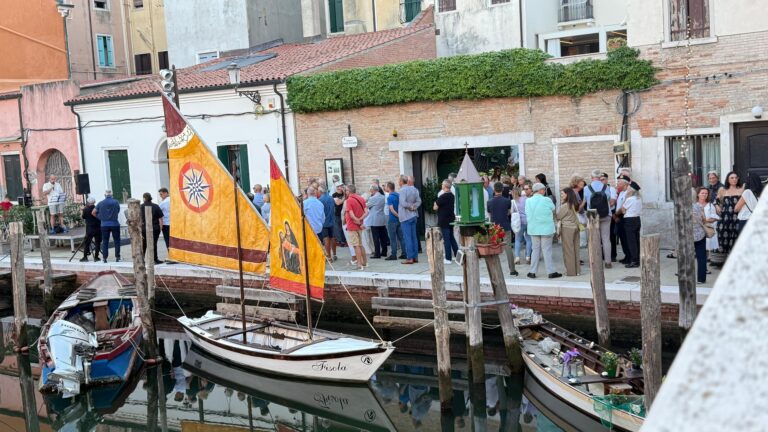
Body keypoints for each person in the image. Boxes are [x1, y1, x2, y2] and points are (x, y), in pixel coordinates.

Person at [525, 183, 560, 278]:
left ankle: (532, 272)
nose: (544, 191)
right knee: (547, 250)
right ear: (540, 190)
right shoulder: (547, 199)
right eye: (543, 190)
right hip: (546, 229)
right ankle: (551, 272)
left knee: (535, 250)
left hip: (533, 229)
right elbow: (553, 209)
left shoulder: (528, 201)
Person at [582, 169, 614, 268]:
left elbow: (585, 201)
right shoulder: (606, 187)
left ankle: (595, 261)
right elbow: (608, 199)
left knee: (594, 238)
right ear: (600, 177)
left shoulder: (587, 188)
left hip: (592, 214)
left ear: (591, 177)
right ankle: (608, 262)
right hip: (606, 214)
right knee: (606, 238)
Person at [487, 182, 518, 276]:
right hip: (505, 225)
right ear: (502, 190)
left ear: (494, 190)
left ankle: (494, 270)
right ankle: (512, 270)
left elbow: (489, 213)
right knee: (508, 248)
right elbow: (509, 212)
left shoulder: (489, 202)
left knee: (493, 247)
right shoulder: (507, 201)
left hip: (494, 227)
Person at [714, 171, 744, 258]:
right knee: (724, 240)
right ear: (728, 179)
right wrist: (716, 206)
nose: (734, 179)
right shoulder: (722, 190)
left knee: (736, 240)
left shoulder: (742, 189)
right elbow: (716, 201)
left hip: (738, 218)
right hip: (725, 218)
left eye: (736, 178)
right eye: (732, 178)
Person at [556, 187, 581, 276]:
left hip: (567, 228)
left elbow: (558, 217)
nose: (561, 195)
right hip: (576, 227)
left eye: (562, 193)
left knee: (568, 250)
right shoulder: (575, 204)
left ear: (567, 194)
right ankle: (577, 271)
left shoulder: (565, 206)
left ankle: (571, 272)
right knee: (575, 249)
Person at [433, 180, 458, 264]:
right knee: (451, 238)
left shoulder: (443, 196)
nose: (441, 185)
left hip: (444, 220)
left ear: (445, 186)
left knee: (446, 239)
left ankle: (448, 258)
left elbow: (435, 207)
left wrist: (435, 204)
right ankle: (457, 255)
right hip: (451, 219)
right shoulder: (452, 195)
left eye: (442, 184)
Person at [344, 184, 368, 270]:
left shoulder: (349, 200)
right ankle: (365, 262)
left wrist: (356, 219)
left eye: (346, 190)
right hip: (360, 225)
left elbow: (350, 213)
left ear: (348, 191)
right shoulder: (361, 198)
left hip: (352, 225)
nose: (345, 192)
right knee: (361, 244)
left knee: (356, 245)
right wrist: (360, 219)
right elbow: (366, 212)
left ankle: (359, 264)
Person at [398, 175, 421, 264]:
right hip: (413, 215)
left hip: (405, 216)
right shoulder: (414, 189)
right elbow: (419, 201)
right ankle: (415, 257)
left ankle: (410, 258)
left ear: (401, 182)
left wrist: (410, 206)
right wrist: (414, 207)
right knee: (413, 237)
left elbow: (403, 203)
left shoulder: (402, 190)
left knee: (407, 238)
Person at [94, 190, 121, 263]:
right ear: (112, 195)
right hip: (115, 224)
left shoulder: (100, 203)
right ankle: (117, 257)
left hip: (104, 224)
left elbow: (93, 212)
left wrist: (100, 218)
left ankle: (105, 258)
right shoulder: (116, 202)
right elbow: (118, 210)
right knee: (117, 241)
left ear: (104, 195)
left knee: (105, 241)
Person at [617, 186, 641, 268]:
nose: (627, 190)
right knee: (636, 240)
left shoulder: (630, 199)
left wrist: (626, 198)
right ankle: (637, 259)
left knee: (631, 241)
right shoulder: (639, 198)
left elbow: (623, 210)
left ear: (631, 190)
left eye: (629, 189)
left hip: (629, 220)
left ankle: (634, 261)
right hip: (637, 219)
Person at [693, 187, 711, 284]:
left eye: (706, 193)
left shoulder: (685, 207)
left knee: (687, 256)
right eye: (702, 193)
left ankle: (687, 276)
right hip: (700, 233)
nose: (704, 195)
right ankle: (701, 279)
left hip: (688, 234)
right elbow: (704, 219)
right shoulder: (699, 207)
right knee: (701, 257)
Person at [140, 193, 164, 264]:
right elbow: (160, 218)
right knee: (154, 244)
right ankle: (155, 259)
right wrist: (160, 228)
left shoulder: (140, 207)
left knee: (144, 244)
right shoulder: (156, 206)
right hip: (155, 228)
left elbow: (138, 219)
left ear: (144, 198)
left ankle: (142, 260)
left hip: (144, 228)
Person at [384, 181, 405, 260]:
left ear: (388, 188)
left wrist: (398, 216)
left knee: (393, 238)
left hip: (393, 219)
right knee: (401, 237)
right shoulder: (398, 195)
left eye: (385, 186)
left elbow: (391, 209)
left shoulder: (390, 197)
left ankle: (393, 255)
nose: (384, 188)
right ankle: (404, 253)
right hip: (400, 220)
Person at [366, 185, 387, 259]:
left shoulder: (372, 198)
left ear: (373, 190)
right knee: (383, 237)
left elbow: (366, 205)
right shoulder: (383, 197)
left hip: (374, 219)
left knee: (375, 237)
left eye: (371, 190)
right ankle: (384, 252)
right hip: (381, 218)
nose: (370, 192)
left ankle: (377, 253)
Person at [513, 186, 532, 264]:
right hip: (527, 221)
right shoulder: (527, 199)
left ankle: (517, 257)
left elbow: (512, 212)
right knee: (528, 239)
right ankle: (528, 257)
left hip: (518, 222)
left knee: (517, 239)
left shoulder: (513, 201)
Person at [317, 186, 336, 260]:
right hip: (332, 220)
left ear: (320, 192)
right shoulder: (331, 198)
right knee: (333, 238)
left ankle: (329, 256)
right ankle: (334, 254)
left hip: (324, 222)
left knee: (326, 239)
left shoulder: (320, 200)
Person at [80, 197, 101, 262]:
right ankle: (96, 257)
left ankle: (85, 257)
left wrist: (81, 210)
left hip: (90, 229)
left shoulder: (85, 209)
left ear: (88, 202)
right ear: (94, 202)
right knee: (98, 243)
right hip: (98, 228)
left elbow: (83, 217)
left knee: (87, 243)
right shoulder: (97, 208)